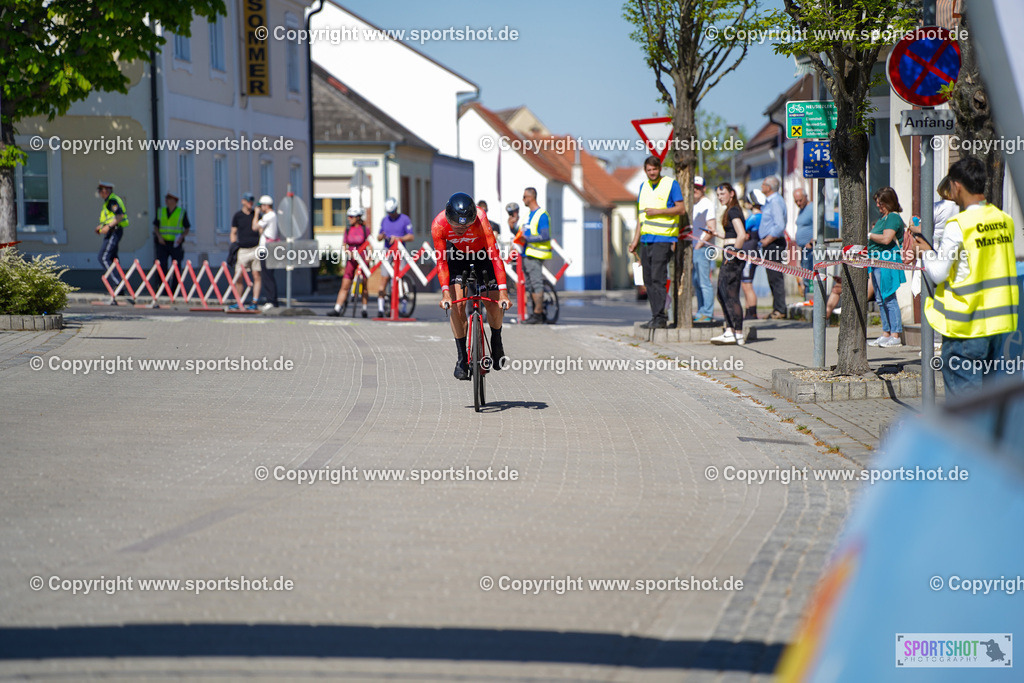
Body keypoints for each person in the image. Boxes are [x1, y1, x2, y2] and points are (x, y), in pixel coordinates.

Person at [912, 158, 1018, 396]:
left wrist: (926, 252)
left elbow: (938, 273)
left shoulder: (958, 224)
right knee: (987, 405)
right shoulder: (1004, 221)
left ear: (957, 185)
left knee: (965, 410)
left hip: (965, 329)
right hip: (998, 328)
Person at [434, 192, 511, 379]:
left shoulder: (481, 218)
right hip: (458, 258)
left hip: (483, 256)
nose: (461, 229)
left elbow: (494, 255)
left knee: (493, 305)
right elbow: (441, 262)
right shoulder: (438, 225)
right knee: (457, 305)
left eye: (466, 226)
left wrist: (503, 292)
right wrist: (445, 293)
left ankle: (496, 339)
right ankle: (462, 359)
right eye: (457, 226)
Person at [628, 155, 687, 329]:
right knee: (647, 279)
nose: (652, 173)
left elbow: (681, 209)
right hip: (646, 240)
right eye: (649, 170)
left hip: (664, 238)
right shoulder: (643, 187)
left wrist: (658, 212)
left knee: (657, 277)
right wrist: (634, 240)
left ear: (659, 169)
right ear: (645, 171)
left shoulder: (670, 184)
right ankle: (655, 315)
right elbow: (641, 217)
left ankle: (661, 317)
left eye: (654, 169)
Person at [866, 187, 906, 348]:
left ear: (889, 202)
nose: (878, 206)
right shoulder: (884, 218)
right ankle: (886, 333)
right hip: (876, 262)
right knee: (881, 299)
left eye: (881, 203)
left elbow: (886, 239)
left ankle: (895, 335)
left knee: (889, 297)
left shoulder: (893, 218)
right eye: (877, 202)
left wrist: (868, 235)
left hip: (887, 261)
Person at [711, 183, 748, 345]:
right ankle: (731, 330)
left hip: (732, 255)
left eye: (722, 193)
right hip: (730, 251)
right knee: (723, 292)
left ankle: (736, 332)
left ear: (731, 193)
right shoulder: (731, 210)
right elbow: (733, 234)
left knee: (728, 293)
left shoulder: (733, 210)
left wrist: (733, 254)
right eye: (718, 195)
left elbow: (741, 235)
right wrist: (717, 234)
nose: (720, 197)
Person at [327, 207, 371, 317]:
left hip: (362, 258)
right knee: (345, 284)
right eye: (348, 216)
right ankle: (337, 308)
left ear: (357, 218)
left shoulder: (365, 229)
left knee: (364, 285)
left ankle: (364, 309)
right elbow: (344, 245)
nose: (349, 219)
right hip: (351, 259)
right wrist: (348, 252)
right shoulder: (347, 229)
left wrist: (369, 256)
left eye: (351, 217)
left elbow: (369, 245)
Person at [518, 187, 552, 324]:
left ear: (531, 197)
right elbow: (521, 234)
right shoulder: (527, 216)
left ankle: (538, 314)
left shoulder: (541, 215)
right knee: (530, 286)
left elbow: (545, 235)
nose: (523, 199)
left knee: (536, 284)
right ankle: (535, 312)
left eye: (525, 196)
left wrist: (528, 239)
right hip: (526, 255)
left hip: (536, 255)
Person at [377, 197, 415, 315]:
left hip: (400, 250)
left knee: (400, 277)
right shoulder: (384, 220)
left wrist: (399, 239)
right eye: (389, 213)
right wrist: (382, 236)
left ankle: (403, 304)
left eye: (392, 212)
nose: (391, 215)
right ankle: (381, 307)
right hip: (388, 249)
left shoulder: (404, 219)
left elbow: (411, 236)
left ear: (396, 210)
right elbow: (378, 237)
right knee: (384, 277)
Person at [95, 181, 130, 305]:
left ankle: (119, 284)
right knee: (114, 259)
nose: (99, 192)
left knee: (103, 257)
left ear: (105, 190)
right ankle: (119, 289)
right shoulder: (109, 201)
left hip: (114, 232)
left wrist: (108, 227)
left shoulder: (112, 201)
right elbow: (111, 217)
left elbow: (119, 216)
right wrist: (102, 226)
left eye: (100, 190)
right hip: (112, 231)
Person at [758, 175, 788, 319]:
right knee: (772, 277)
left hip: (773, 243)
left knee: (776, 277)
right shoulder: (770, 201)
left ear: (769, 187)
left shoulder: (775, 201)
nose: (761, 186)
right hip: (770, 243)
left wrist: (767, 240)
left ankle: (780, 309)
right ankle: (777, 308)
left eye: (763, 184)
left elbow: (779, 226)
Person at [152, 191, 190, 298]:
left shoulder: (181, 212)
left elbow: (187, 228)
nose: (167, 201)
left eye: (169, 199)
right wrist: (159, 237)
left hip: (175, 244)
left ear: (175, 201)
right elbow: (156, 226)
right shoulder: (161, 211)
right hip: (163, 243)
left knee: (176, 267)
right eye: (166, 199)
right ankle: (162, 290)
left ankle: (174, 291)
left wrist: (181, 237)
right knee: (161, 266)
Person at [229, 192, 261, 310]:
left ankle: (254, 301)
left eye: (252, 201)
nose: (250, 203)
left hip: (255, 248)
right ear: (243, 201)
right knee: (239, 275)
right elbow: (233, 232)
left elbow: (260, 229)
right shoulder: (238, 216)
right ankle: (239, 301)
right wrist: (233, 246)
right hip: (242, 249)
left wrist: (257, 214)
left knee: (256, 274)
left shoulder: (256, 215)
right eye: (248, 201)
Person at [691, 176, 717, 323]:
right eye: (693, 186)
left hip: (702, 248)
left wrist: (700, 244)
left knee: (704, 281)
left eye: (698, 187)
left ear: (704, 189)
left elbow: (711, 228)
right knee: (696, 281)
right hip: (694, 247)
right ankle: (701, 310)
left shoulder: (706, 203)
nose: (695, 189)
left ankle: (707, 311)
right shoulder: (694, 204)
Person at [741, 189, 765, 320]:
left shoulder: (754, 217)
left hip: (749, 253)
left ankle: (751, 312)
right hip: (753, 251)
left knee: (747, 284)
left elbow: (741, 230)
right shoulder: (762, 216)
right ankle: (748, 311)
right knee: (746, 283)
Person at [256, 195, 279, 311]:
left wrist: (256, 214)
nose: (260, 208)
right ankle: (272, 300)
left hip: (266, 249)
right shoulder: (273, 216)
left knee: (267, 275)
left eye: (261, 206)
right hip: (271, 248)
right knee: (269, 275)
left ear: (265, 205)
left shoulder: (269, 216)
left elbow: (255, 227)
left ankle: (271, 300)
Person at [793, 187, 814, 300]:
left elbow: (819, 225)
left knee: (809, 275)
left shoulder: (811, 208)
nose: (798, 203)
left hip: (811, 249)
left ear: (806, 197)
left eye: (800, 200)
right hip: (803, 249)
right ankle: (806, 299)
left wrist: (811, 242)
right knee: (805, 274)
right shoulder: (802, 209)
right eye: (796, 201)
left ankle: (811, 300)